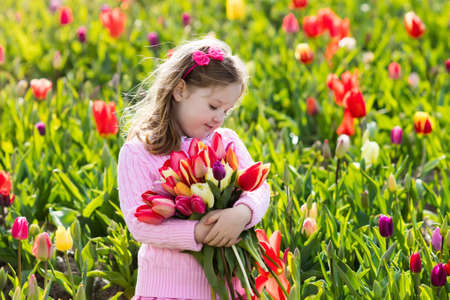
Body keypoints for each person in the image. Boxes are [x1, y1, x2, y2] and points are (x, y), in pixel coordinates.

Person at [117, 37, 270, 300]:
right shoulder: (139, 153)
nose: (219, 118)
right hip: (166, 289)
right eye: (213, 106)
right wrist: (198, 232)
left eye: (227, 110)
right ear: (179, 91)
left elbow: (260, 189)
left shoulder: (226, 142)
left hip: (226, 288)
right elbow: (139, 226)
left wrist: (242, 213)